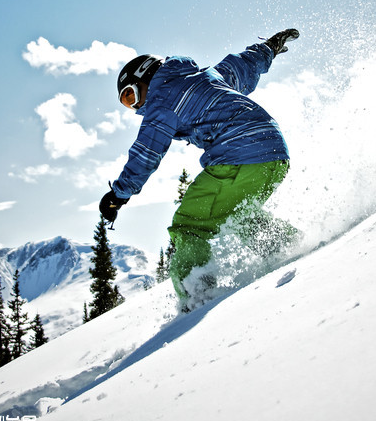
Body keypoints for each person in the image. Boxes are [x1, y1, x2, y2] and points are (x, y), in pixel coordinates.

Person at [99, 28, 300, 307]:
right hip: (274, 154)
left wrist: (119, 194)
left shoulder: (162, 99)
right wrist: (268, 48)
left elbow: (146, 152)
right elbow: (242, 65)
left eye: (131, 96)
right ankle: (289, 247)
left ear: (146, 75)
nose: (136, 107)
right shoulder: (207, 76)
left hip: (239, 155)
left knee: (190, 224)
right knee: (237, 215)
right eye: (127, 103)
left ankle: (196, 296)